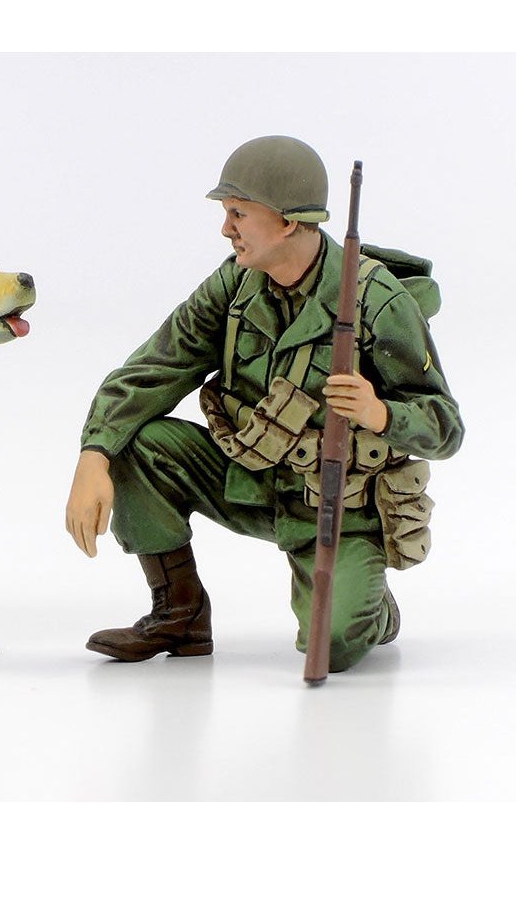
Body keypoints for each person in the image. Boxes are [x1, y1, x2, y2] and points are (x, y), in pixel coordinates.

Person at [65, 135, 463, 672]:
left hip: (336, 504)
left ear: (288, 221)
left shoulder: (378, 300)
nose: (225, 229)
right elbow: (156, 368)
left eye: (238, 213)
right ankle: (179, 613)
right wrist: (95, 453)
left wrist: (380, 412)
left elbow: (445, 427)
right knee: (136, 441)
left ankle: (374, 610)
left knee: (331, 645)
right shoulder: (235, 284)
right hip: (247, 479)